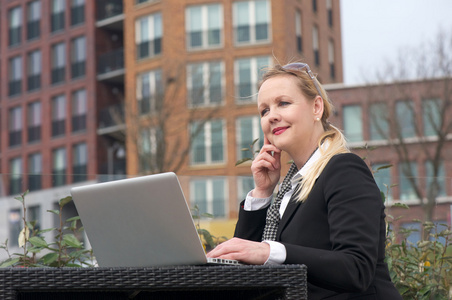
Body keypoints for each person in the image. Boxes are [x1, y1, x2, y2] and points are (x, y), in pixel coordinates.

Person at [207, 62, 402, 299]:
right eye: (264, 111)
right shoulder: (291, 188)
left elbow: (356, 268)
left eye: (283, 103)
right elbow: (242, 274)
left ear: (316, 107)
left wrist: (272, 251)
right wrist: (262, 193)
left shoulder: (344, 169)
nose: (272, 116)